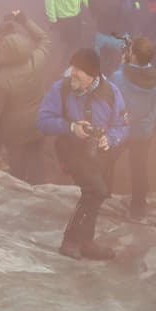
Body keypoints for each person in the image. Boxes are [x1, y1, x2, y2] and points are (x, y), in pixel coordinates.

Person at [37, 49, 129, 260]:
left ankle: (87, 242)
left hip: (99, 153)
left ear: (92, 75)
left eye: (79, 70)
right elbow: (42, 121)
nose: (73, 73)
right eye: (73, 67)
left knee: (99, 194)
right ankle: (70, 241)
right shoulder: (61, 89)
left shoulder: (111, 92)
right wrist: (71, 127)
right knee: (95, 190)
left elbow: (122, 125)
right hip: (71, 149)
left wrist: (110, 139)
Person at [0, 10, 53, 183]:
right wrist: (24, 20)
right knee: (37, 161)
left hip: (15, 131)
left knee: (18, 166)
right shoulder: (37, 60)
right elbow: (44, 39)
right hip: (38, 122)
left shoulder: (2, 79)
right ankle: (39, 188)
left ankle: (20, 189)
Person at [110, 36, 156, 219]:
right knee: (139, 167)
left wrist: (122, 66)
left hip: (121, 130)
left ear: (133, 55)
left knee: (107, 160)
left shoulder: (119, 77)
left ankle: (101, 196)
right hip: (143, 132)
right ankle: (138, 208)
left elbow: (112, 92)